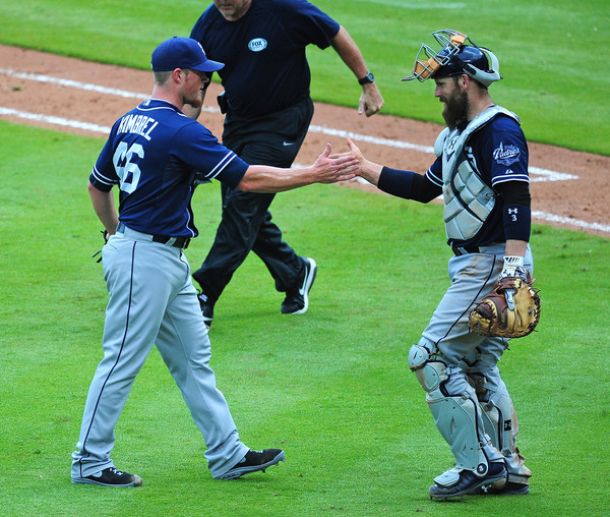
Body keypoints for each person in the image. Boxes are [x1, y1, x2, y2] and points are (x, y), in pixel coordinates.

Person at [71, 36, 357, 488]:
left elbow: (97, 186)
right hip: (144, 260)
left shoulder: (130, 121)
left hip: (159, 257)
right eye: (202, 73)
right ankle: (88, 461)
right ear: (179, 76)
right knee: (121, 360)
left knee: (194, 359)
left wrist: (113, 234)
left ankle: (227, 454)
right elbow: (248, 179)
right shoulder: (182, 131)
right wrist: (313, 174)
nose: (209, 79)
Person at [347, 30, 533, 500]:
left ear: (466, 81)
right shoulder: (457, 136)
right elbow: (424, 187)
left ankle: (478, 465)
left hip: (491, 267)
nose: (436, 92)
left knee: (429, 357)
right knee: (475, 366)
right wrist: (365, 168)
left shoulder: (499, 130)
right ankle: (507, 465)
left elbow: (516, 197)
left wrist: (512, 269)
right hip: (481, 266)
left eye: (442, 83)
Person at [189, 0, 384, 328]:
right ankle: (296, 272)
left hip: (283, 120)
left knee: (243, 203)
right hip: (238, 121)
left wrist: (367, 81)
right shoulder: (208, 25)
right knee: (243, 210)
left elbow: (335, 32)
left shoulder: (283, 8)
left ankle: (205, 294)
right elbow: (198, 85)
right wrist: (182, 133)